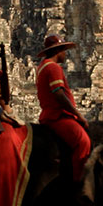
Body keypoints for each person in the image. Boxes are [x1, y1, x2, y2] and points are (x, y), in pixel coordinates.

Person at [35, 34, 92, 189]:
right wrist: (79, 115)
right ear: (58, 51)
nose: (66, 54)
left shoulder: (42, 66)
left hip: (48, 114)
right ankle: (79, 184)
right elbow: (58, 94)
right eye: (64, 50)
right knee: (83, 142)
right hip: (57, 116)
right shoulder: (53, 67)